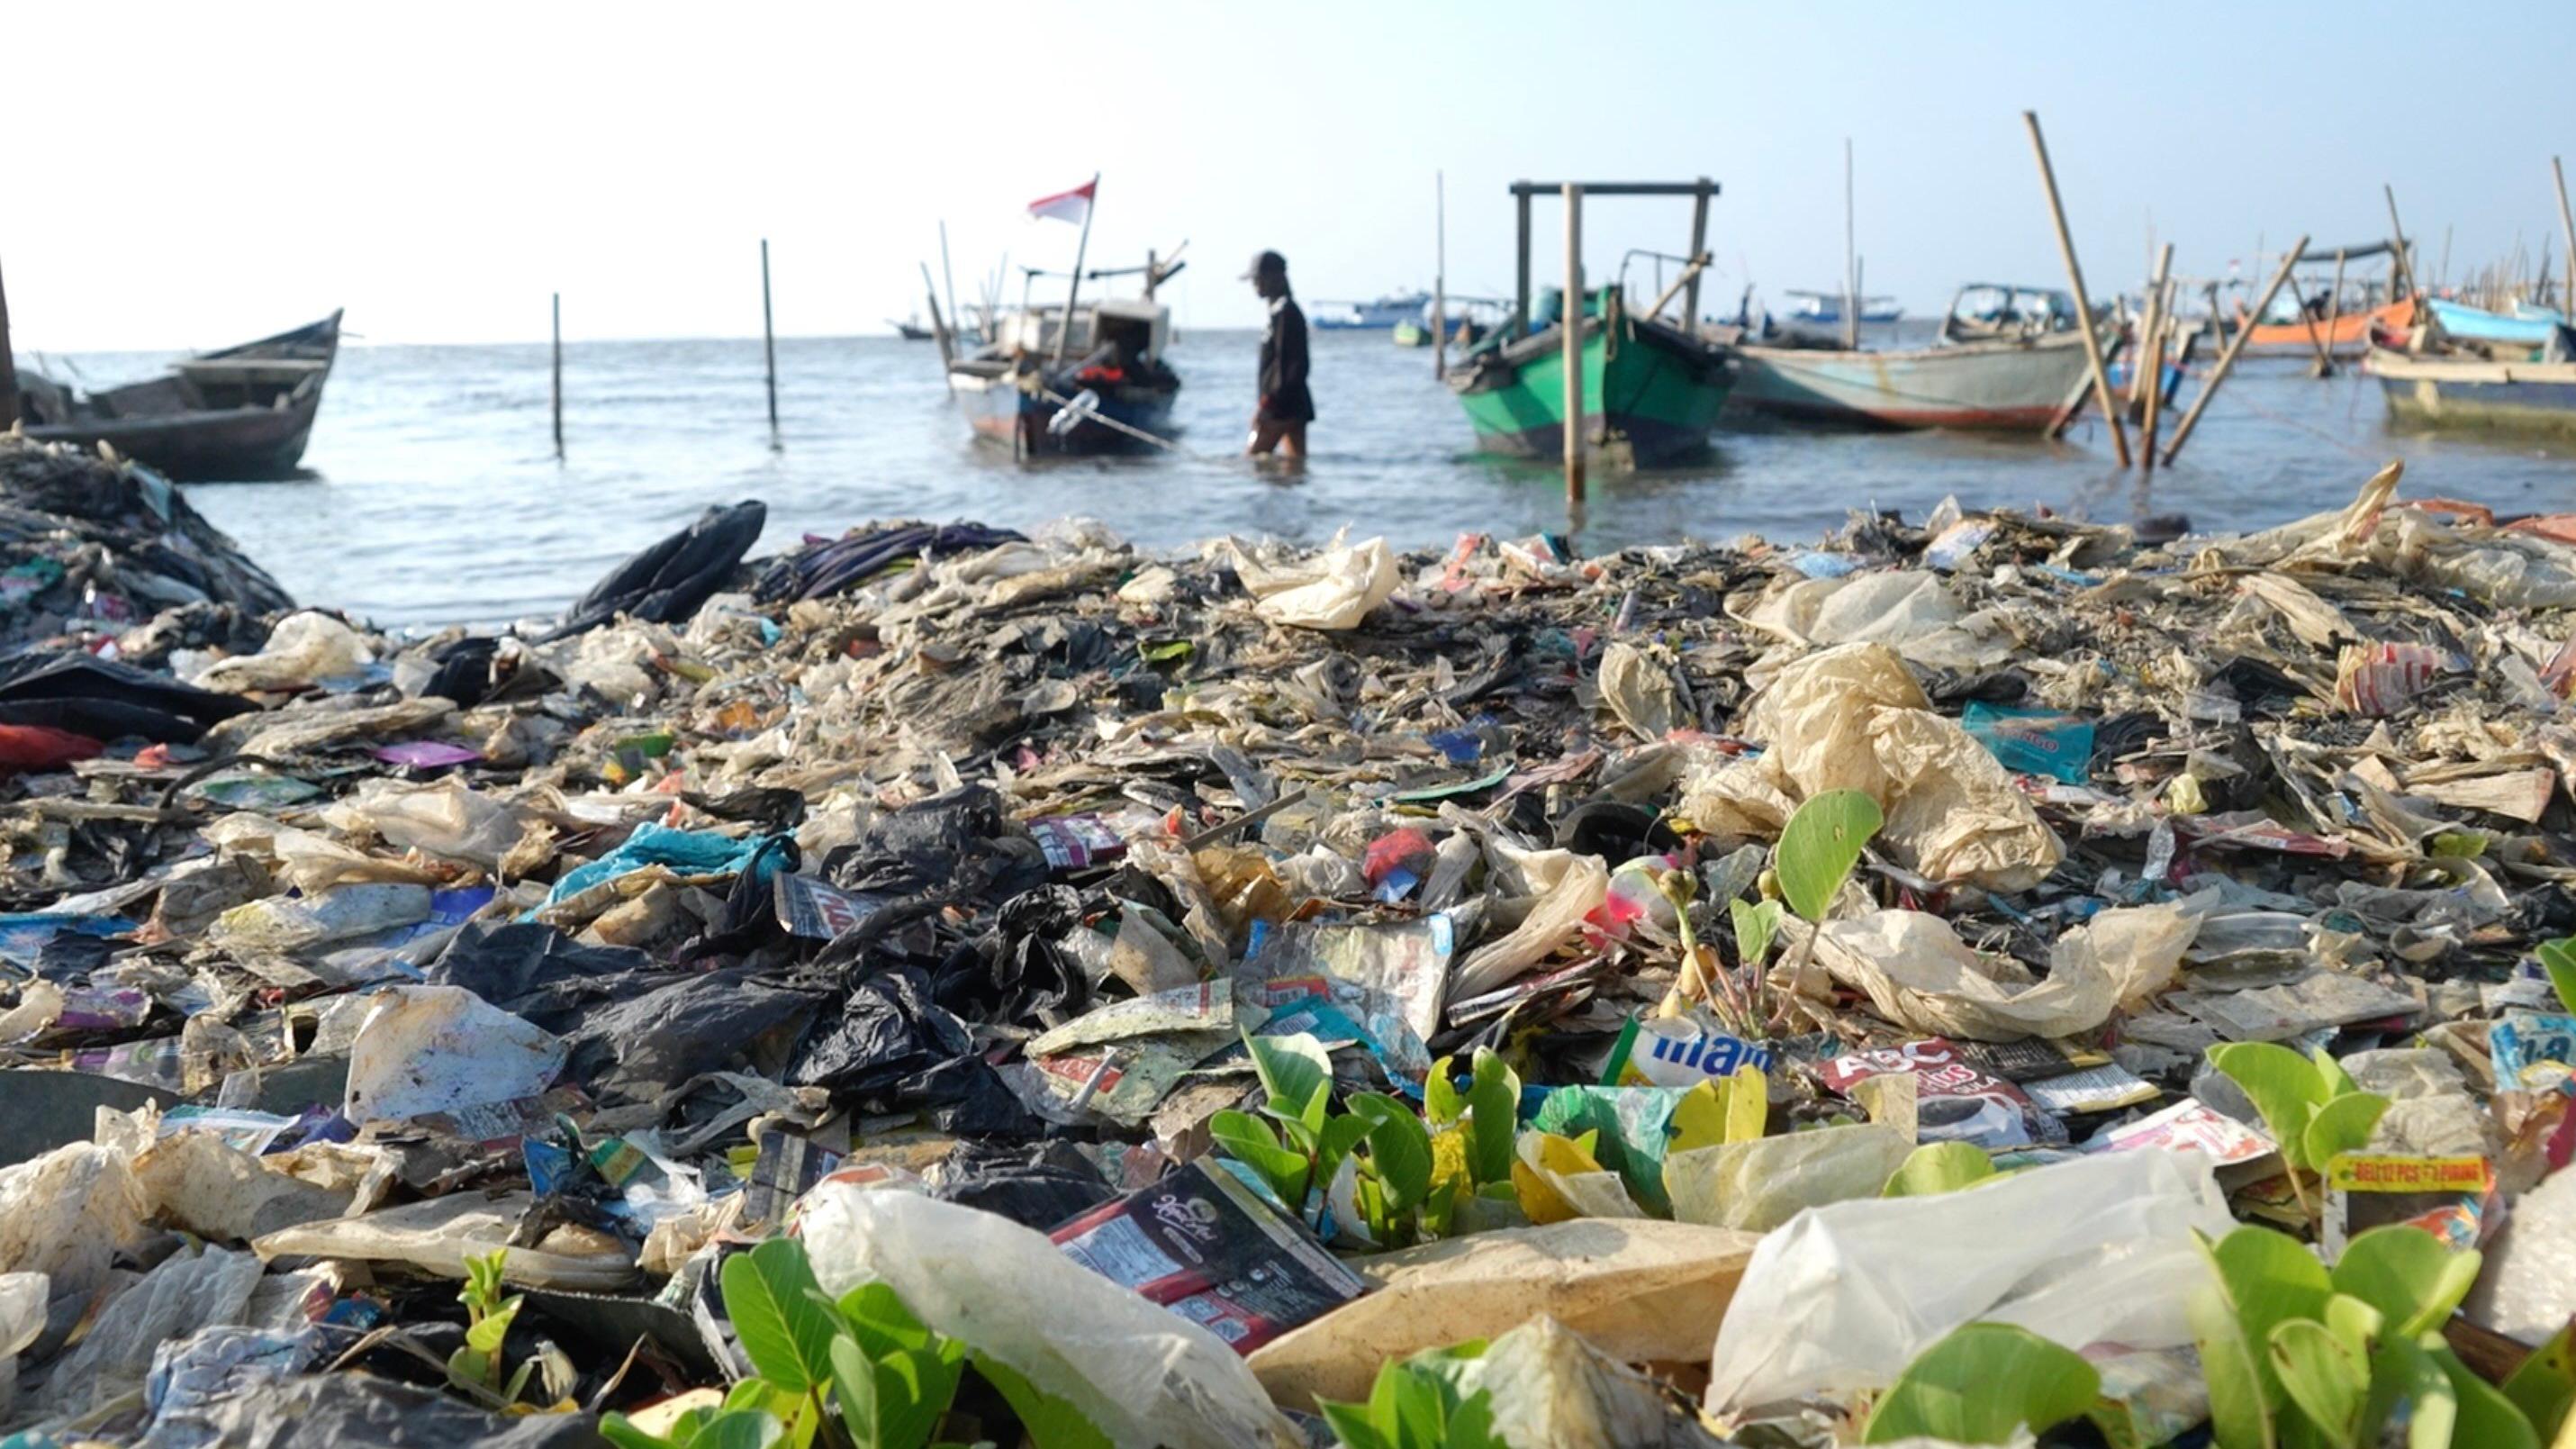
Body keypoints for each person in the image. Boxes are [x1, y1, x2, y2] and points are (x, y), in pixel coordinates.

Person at [1243, 250, 1312, 459]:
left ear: (1275, 277)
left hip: (1282, 408)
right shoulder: (1278, 312)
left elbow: (1289, 365)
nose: (1255, 284)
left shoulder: (1286, 313)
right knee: (1294, 465)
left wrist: (1266, 406)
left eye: (1258, 278)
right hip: (1291, 406)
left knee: (1253, 460)